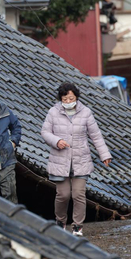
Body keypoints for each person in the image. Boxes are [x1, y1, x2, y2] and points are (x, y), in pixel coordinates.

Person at [41, 82, 112, 236]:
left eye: (71, 98)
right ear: (60, 99)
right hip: (60, 160)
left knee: (78, 194)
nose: (68, 102)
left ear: (77, 98)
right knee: (63, 194)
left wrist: (104, 154)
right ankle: (60, 221)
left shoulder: (86, 112)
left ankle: (77, 225)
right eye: (65, 99)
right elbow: (45, 132)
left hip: (81, 160)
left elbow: (96, 135)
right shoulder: (53, 112)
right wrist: (57, 141)